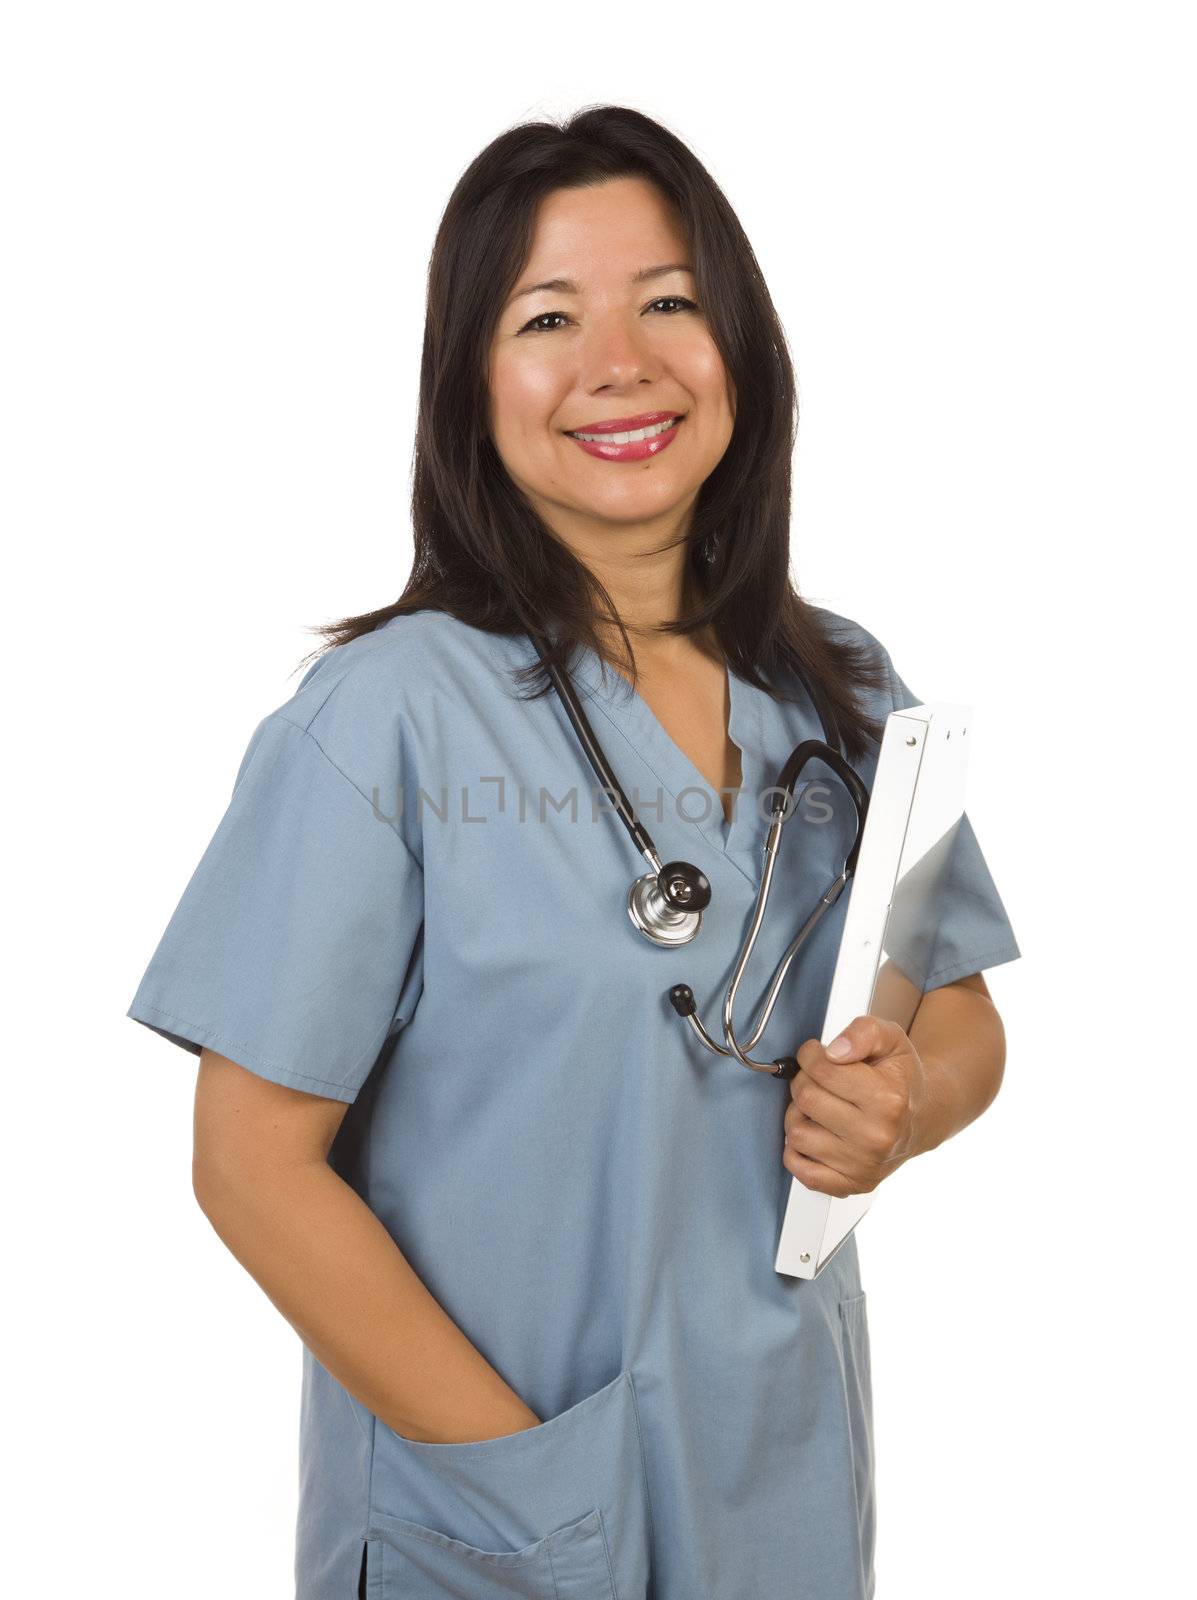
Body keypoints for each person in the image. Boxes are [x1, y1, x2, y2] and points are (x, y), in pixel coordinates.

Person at [126, 105, 1020, 1600]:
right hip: (493, 1512)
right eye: (548, 316)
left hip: (776, 1470)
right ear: (471, 385)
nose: (623, 361)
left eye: (669, 301)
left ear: (741, 342)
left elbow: (958, 1011)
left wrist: (908, 1100)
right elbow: (250, 1167)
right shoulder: (386, 719)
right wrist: (526, 1491)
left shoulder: (842, 692)